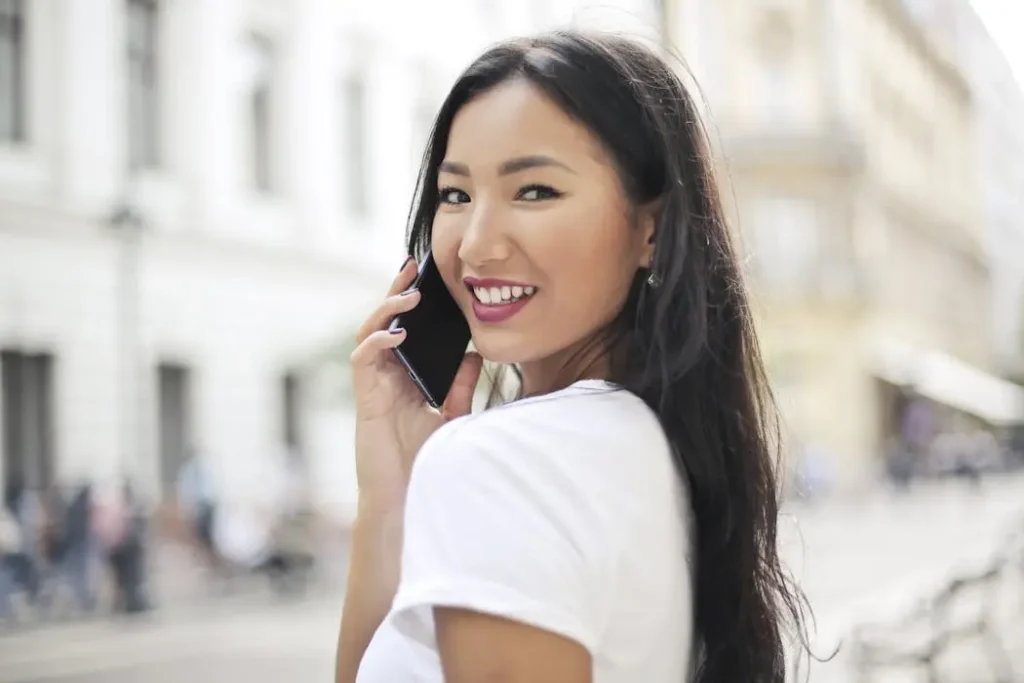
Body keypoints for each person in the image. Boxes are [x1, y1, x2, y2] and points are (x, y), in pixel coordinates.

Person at [336, 31, 808, 683]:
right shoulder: (652, 436)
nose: (475, 244)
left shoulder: (502, 460)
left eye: (534, 191)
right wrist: (391, 494)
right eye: (455, 195)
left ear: (652, 229)